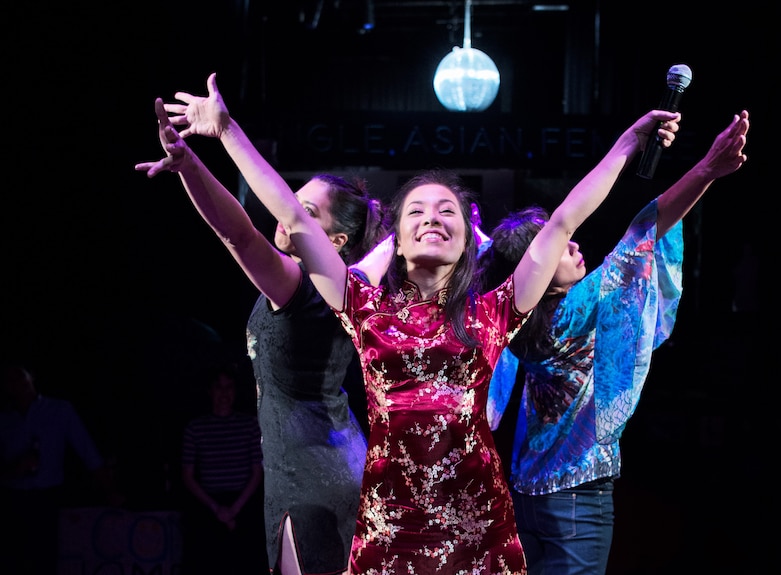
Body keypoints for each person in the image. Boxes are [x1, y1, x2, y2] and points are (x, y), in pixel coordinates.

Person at [137, 72, 681, 574]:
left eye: (447, 211)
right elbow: (293, 217)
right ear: (396, 239)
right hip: (389, 526)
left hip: (480, 527)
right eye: (416, 211)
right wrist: (227, 133)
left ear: (468, 238)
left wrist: (627, 143)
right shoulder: (364, 308)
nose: (432, 219)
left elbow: (564, 220)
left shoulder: (494, 312)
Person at [480, 110, 750, 574]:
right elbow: (644, 231)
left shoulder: (509, 321)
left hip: (525, 494)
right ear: (536, 267)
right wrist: (706, 169)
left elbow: (496, 262)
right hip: (576, 499)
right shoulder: (574, 311)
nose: (572, 244)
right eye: (556, 246)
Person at [136, 79, 385, 573]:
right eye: (292, 200)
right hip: (324, 463)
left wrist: (191, 163)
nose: (286, 211)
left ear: (334, 241)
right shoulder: (347, 286)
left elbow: (238, 235)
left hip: (312, 475)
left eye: (306, 211)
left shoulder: (298, 286)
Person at [0, 362, 120, 575]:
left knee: (43, 560)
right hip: (11, 498)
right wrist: (13, 469)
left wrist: (109, 489)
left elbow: (87, 450)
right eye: (10, 380)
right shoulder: (4, 418)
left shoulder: (59, 410)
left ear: (32, 378)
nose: (17, 384)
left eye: (20, 377)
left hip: (46, 499)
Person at [180, 362, 269, 575]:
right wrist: (216, 508)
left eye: (229, 387)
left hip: (243, 503)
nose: (224, 393)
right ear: (210, 391)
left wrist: (234, 509)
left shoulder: (249, 426)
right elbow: (188, 475)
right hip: (209, 503)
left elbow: (257, 471)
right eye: (219, 387)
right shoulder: (195, 428)